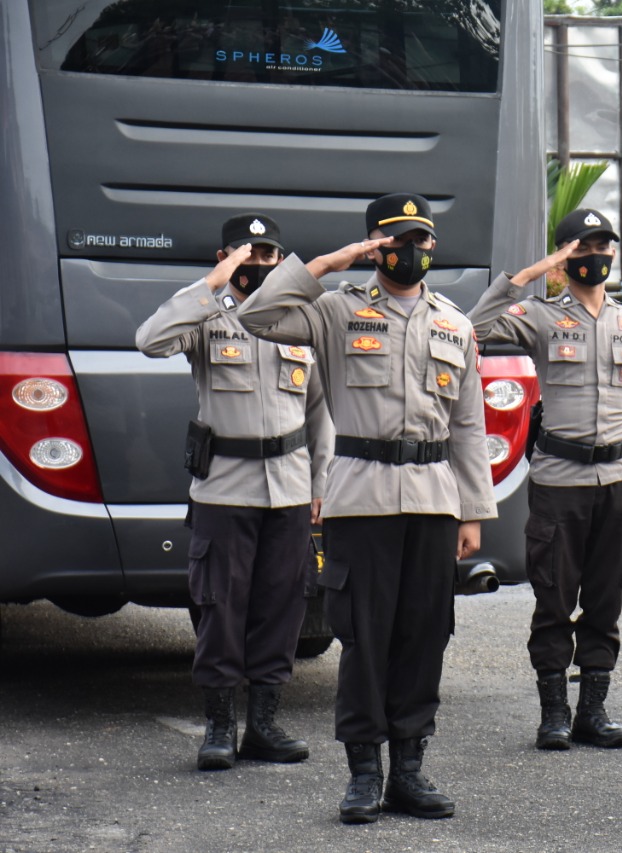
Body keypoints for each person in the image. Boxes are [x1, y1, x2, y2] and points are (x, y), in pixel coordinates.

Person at [238, 193, 496, 822]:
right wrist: (329, 261)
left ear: (432, 245)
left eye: (420, 239)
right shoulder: (334, 311)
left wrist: (472, 511)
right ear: (375, 247)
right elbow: (256, 315)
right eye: (394, 240)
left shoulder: (453, 323)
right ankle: (362, 774)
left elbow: (467, 424)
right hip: (362, 500)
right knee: (363, 639)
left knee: (423, 637)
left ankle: (409, 769)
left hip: (434, 500)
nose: (410, 250)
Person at [135, 213, 332, 773]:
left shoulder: (300, 320)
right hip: (224, 488)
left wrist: (322, 485)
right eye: (248, 255)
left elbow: (320, 414)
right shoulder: (206, 318)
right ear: (227, 258)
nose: (260, 264)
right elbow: (150, 341)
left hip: (290, 489)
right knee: (220, 606)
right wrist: (210, 286)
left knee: (283, 605)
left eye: (269, 255)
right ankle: (220, 726)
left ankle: (264, 724)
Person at [468, 209, 622, 751]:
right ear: (566, 256)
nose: (596, 256)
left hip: (618, 479)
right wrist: (534, 271)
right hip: (559, 480)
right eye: (584, 247)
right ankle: (553, 711)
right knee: (553, 597)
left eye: (605, 246)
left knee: (606, 597)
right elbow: (474, 327)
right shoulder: (539, 315)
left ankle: (593, 711)